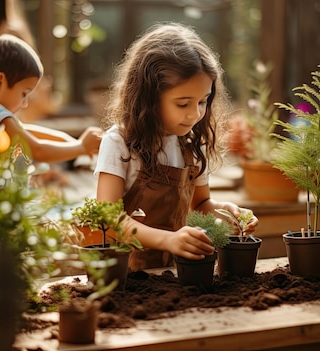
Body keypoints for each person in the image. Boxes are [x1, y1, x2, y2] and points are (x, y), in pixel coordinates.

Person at [94, 22, 259, 271]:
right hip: (128, 276)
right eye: (183, 104)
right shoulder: (119, 144)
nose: (195, 114)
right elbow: (109, 220)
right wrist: (168, 239)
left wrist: (225, 213)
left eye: (203, 101)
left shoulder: (191, 145)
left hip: (175, 273)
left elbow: (201, 205)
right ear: (149, 96)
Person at [0, 34, 101, 169]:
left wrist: (75, 142)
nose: (24, 103)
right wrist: (80, 147)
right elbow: (37, 150)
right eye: (24, 94)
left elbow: (27, 132)